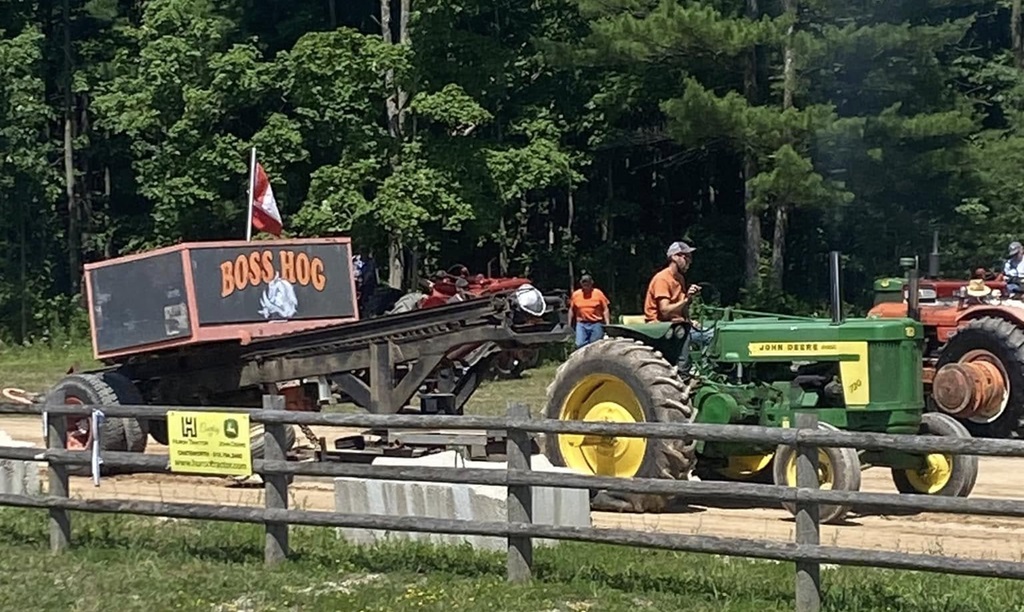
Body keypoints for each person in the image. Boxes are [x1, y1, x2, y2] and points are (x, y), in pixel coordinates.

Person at [643, 241, 712, 367]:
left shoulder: (680, 279)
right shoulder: (662, 279)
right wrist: (686, 300)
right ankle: (684, 371)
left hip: (679, 324)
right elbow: (665, 311)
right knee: (709, 336)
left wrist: (689, 320)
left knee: (715, 334)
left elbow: (681, 308)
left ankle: (705, 369)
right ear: (675, 257)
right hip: (662, 327)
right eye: (686, 257)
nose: (690, 261)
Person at [569, 274, 611, 348]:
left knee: (595, 345)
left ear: (591, 283)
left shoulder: (598, 293)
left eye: (588, 282)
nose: (586, 284)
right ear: (581, 283)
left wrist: (607, 324)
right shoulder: (576, 294)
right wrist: (569, 324)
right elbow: (571, 310)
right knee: (580, 344)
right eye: (584, 282)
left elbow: (605, 309)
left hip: (596, 323)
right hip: (581, 324)